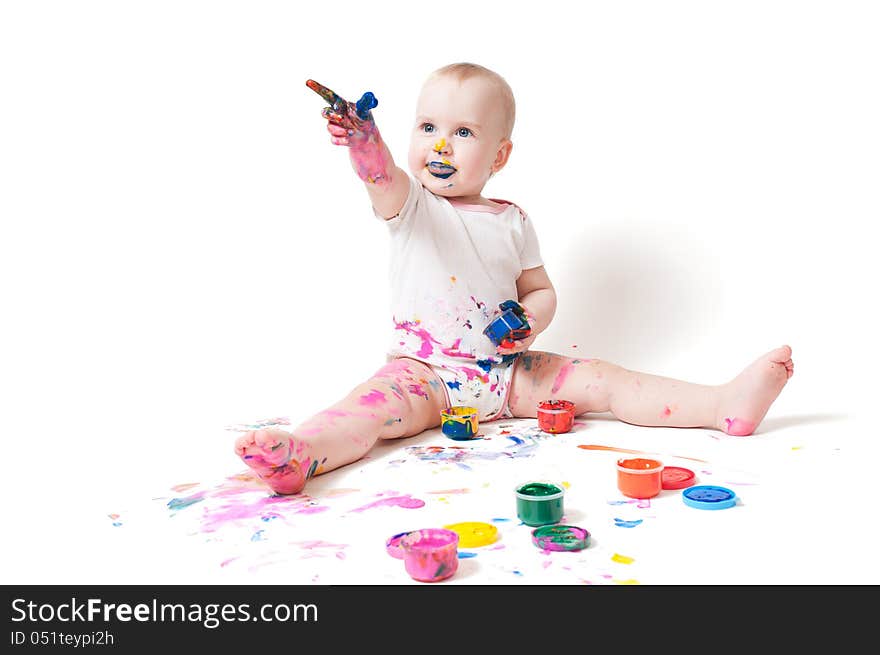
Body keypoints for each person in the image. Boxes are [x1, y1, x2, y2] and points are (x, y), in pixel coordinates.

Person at [234, 62, 794, 495]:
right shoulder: (414, 207)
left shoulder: (513, 220)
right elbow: (382, 178)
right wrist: (364, 142)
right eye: (427, 126)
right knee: (367, 411)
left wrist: (532, 321)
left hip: (508, 374)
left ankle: (722, 404)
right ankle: (301, 454)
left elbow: (539, 290)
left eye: (463, 132)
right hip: (424, 376)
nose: (440, 145)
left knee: (605, 379)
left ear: (499, 154)